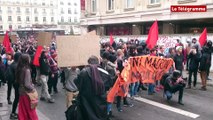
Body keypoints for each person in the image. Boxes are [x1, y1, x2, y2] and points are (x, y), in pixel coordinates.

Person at [74, 56, 112, 120]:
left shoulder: (84, 72)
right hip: (100, 103)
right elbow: (109, 87)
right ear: (98, 62)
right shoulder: (106, 73)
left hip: (86, 103)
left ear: (88, 63)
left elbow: (77, 84)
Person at [16, 54, 38, 120]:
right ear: (26, 60)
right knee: (30, 110)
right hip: (27, 93)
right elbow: (27, 84)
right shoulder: (27, 70)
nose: (30, 59)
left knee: (23, 110)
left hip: (21, 92)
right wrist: (33, 89)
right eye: (29, 58)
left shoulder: (20, 68)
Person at [9, 52, 22, 119]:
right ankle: (13, 113)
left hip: (13, 83)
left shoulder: (13, 64)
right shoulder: (17, 66)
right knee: (17, 98)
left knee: (17, 98)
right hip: (17, 84)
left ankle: (14, 112)